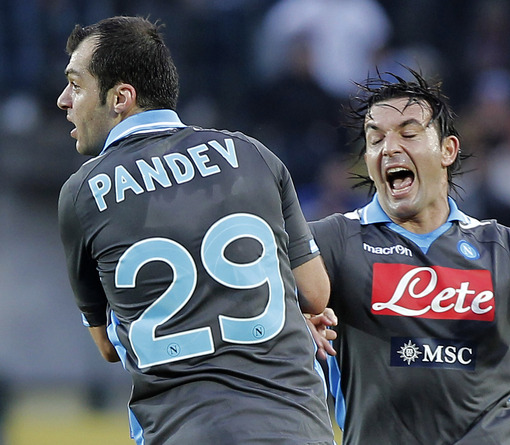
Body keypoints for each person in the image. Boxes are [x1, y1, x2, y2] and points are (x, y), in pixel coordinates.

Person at [307, 68, 510, 444]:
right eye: (375, 138)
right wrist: (296, 322)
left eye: (408, 134)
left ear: (448, 150)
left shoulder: (507, 248)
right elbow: (261, 312)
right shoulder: (330, 241)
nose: (389, 148)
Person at [56, 16, 335, 444]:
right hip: (293, 427)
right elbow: (314, 294)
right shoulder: (253, 154)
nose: (63, 100)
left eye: (76, 85)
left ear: (121, 98)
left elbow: (110, 346)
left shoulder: (82, 194)